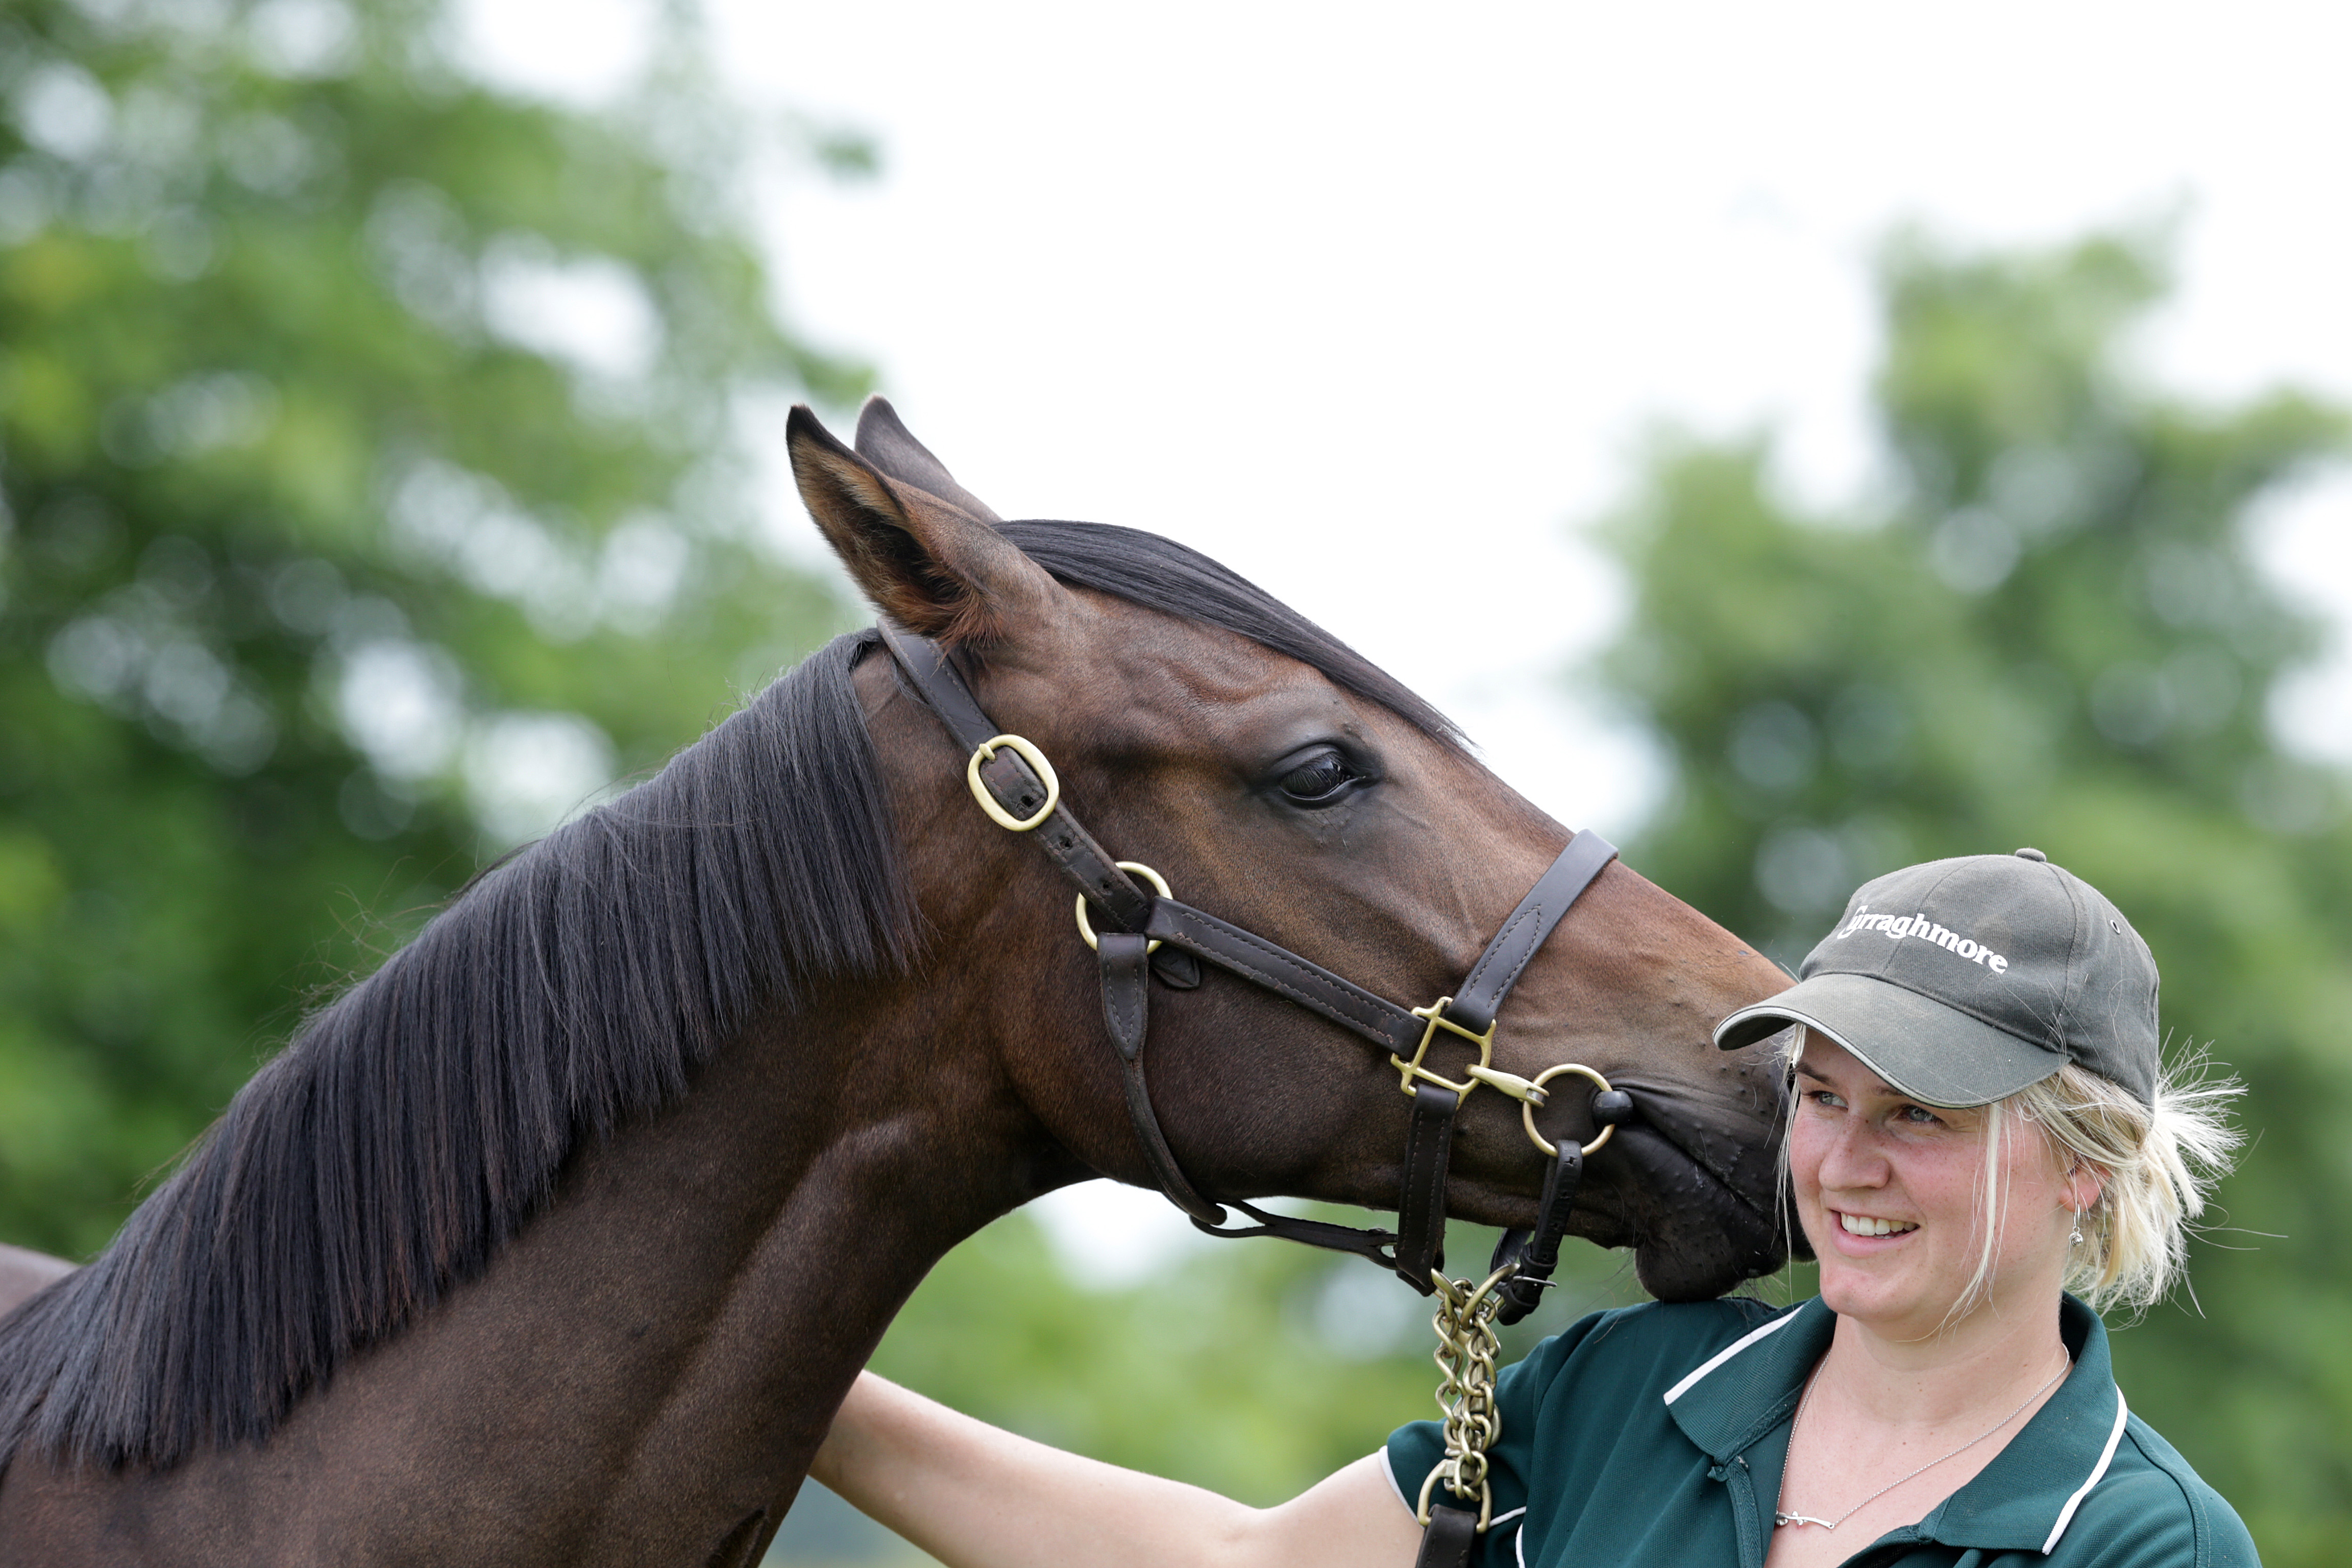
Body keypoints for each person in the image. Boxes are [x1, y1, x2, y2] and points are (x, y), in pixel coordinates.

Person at [810, 849, 2257, 1566]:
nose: (1845, 1163)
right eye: (1822, 1098)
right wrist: (795, 1386)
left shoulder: (2140, 1540)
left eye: (1920, 1116)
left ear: (2088, 1160)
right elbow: (1243, 1563)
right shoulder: (1632, 1388)